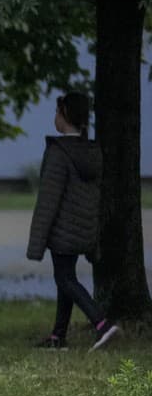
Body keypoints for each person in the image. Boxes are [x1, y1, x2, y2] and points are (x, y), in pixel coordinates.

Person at [25, 92, 120, 351]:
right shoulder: (90, 151)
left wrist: (37, 243)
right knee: (64, 278)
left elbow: (48, 200)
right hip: (82, 229)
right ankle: (58, 336)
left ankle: (101, 323)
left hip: (62, 231)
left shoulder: (59, 153)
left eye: (57, 112)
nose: (54, 118)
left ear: (65, 115)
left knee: (65, 278)